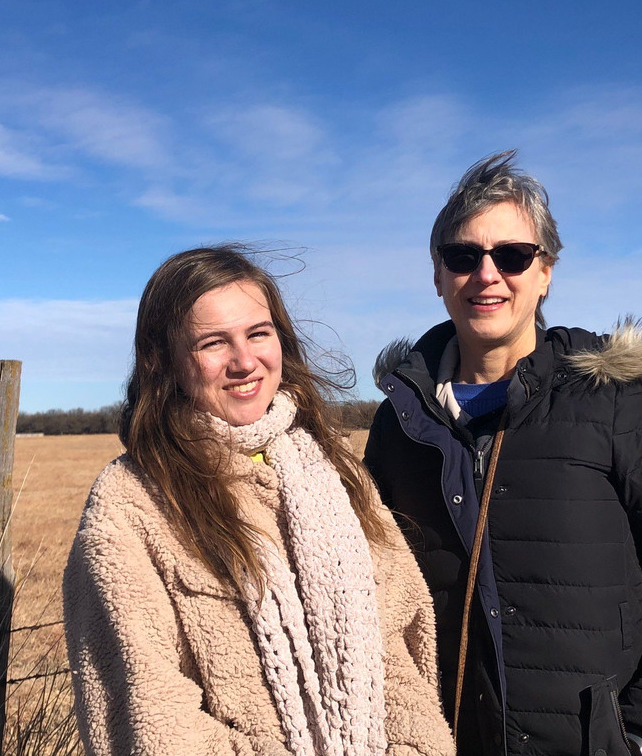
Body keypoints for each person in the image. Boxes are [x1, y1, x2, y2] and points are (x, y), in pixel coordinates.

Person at [365, 152, 642, 756]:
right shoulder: (401, 425)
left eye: (513, 256)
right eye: (464, 257)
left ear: (546, 272)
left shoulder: (617, 404)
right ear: (438, 276)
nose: (487, 275)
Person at [64, 246, 456, 756]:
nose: (244, 361)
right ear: (163, 362)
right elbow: (153, 718)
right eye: (213, 343)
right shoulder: (129, 506)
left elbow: (400, 649)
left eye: (258, 333)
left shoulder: (334, 469)